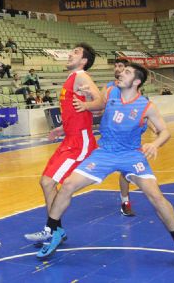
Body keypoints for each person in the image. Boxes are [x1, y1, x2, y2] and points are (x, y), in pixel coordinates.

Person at [35, 63, 174, 271]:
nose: (121, 73)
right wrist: (86, 95)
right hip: (104, 153)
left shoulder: (146, 106)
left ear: (136, 81)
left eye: (127, 72)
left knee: (155, 196)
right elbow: (95, 105)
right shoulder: (110, 91)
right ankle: (52, 229)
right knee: (68, 185)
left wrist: (154, 144)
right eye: (121, 70)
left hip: (131, 154)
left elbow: (165, 131)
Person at [24, 44, 103, 244]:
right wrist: (62, 128)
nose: (70, 54)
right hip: (70, 137)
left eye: (76, 52)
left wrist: (86, 105)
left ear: (84, 61)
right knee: (46, 182)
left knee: (51, 183)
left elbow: (100, 102)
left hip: (80, 142)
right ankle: (55, 229)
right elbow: (74, 112)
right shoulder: (72, 78)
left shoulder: (81, 76)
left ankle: (51, 230)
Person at [104, 58, 136, 216]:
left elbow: (138, 110)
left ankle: (125, 201)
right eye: (115, 66)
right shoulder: (108, 88)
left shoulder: (131, 88)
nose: (117, 68)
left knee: (125, 171)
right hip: (108, 137)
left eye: (121, 66)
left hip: (126, 138)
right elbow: (98, 106)